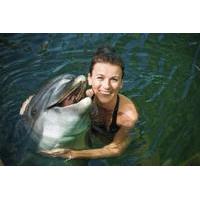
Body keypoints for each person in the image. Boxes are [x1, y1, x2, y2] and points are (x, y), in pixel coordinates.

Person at [20, 46, 138, 161]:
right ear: (90, 79)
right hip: (86, 137)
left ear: (121, 83)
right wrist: (27, 108)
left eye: (114, 79)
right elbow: (38, 102)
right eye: (100, 78)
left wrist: (73, 154)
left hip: (122, 147)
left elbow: (115, 149)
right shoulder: (86, 97)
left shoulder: (127, 115)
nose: (106, 86)